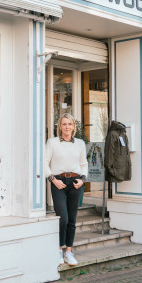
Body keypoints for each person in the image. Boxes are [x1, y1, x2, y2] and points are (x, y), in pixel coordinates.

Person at [45, 113, 88, 266]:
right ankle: (58, 250)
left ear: (73, 127)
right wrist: (53, 179)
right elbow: (44, 163)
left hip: (75, 183)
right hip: (59, 182)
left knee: (72, 220)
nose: (67, 127)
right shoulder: (52, 142)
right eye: (64, 124)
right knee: (62, 218)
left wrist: (82, 180)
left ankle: (68, 252)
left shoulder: (80, 144)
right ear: (60, 127)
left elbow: (84, 164)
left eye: (69, 124)